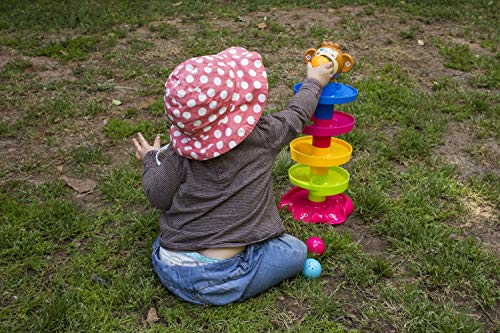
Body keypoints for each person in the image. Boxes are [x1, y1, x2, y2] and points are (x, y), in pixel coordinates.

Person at [132, 47, 333, 306]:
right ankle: (236, 270)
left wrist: (151, 158)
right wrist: (315, 81)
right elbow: (297, 115)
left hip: (171, 264)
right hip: (218, 279)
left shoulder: (177, 156)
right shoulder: (263, 135)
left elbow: (157, 196)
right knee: (294, 251)